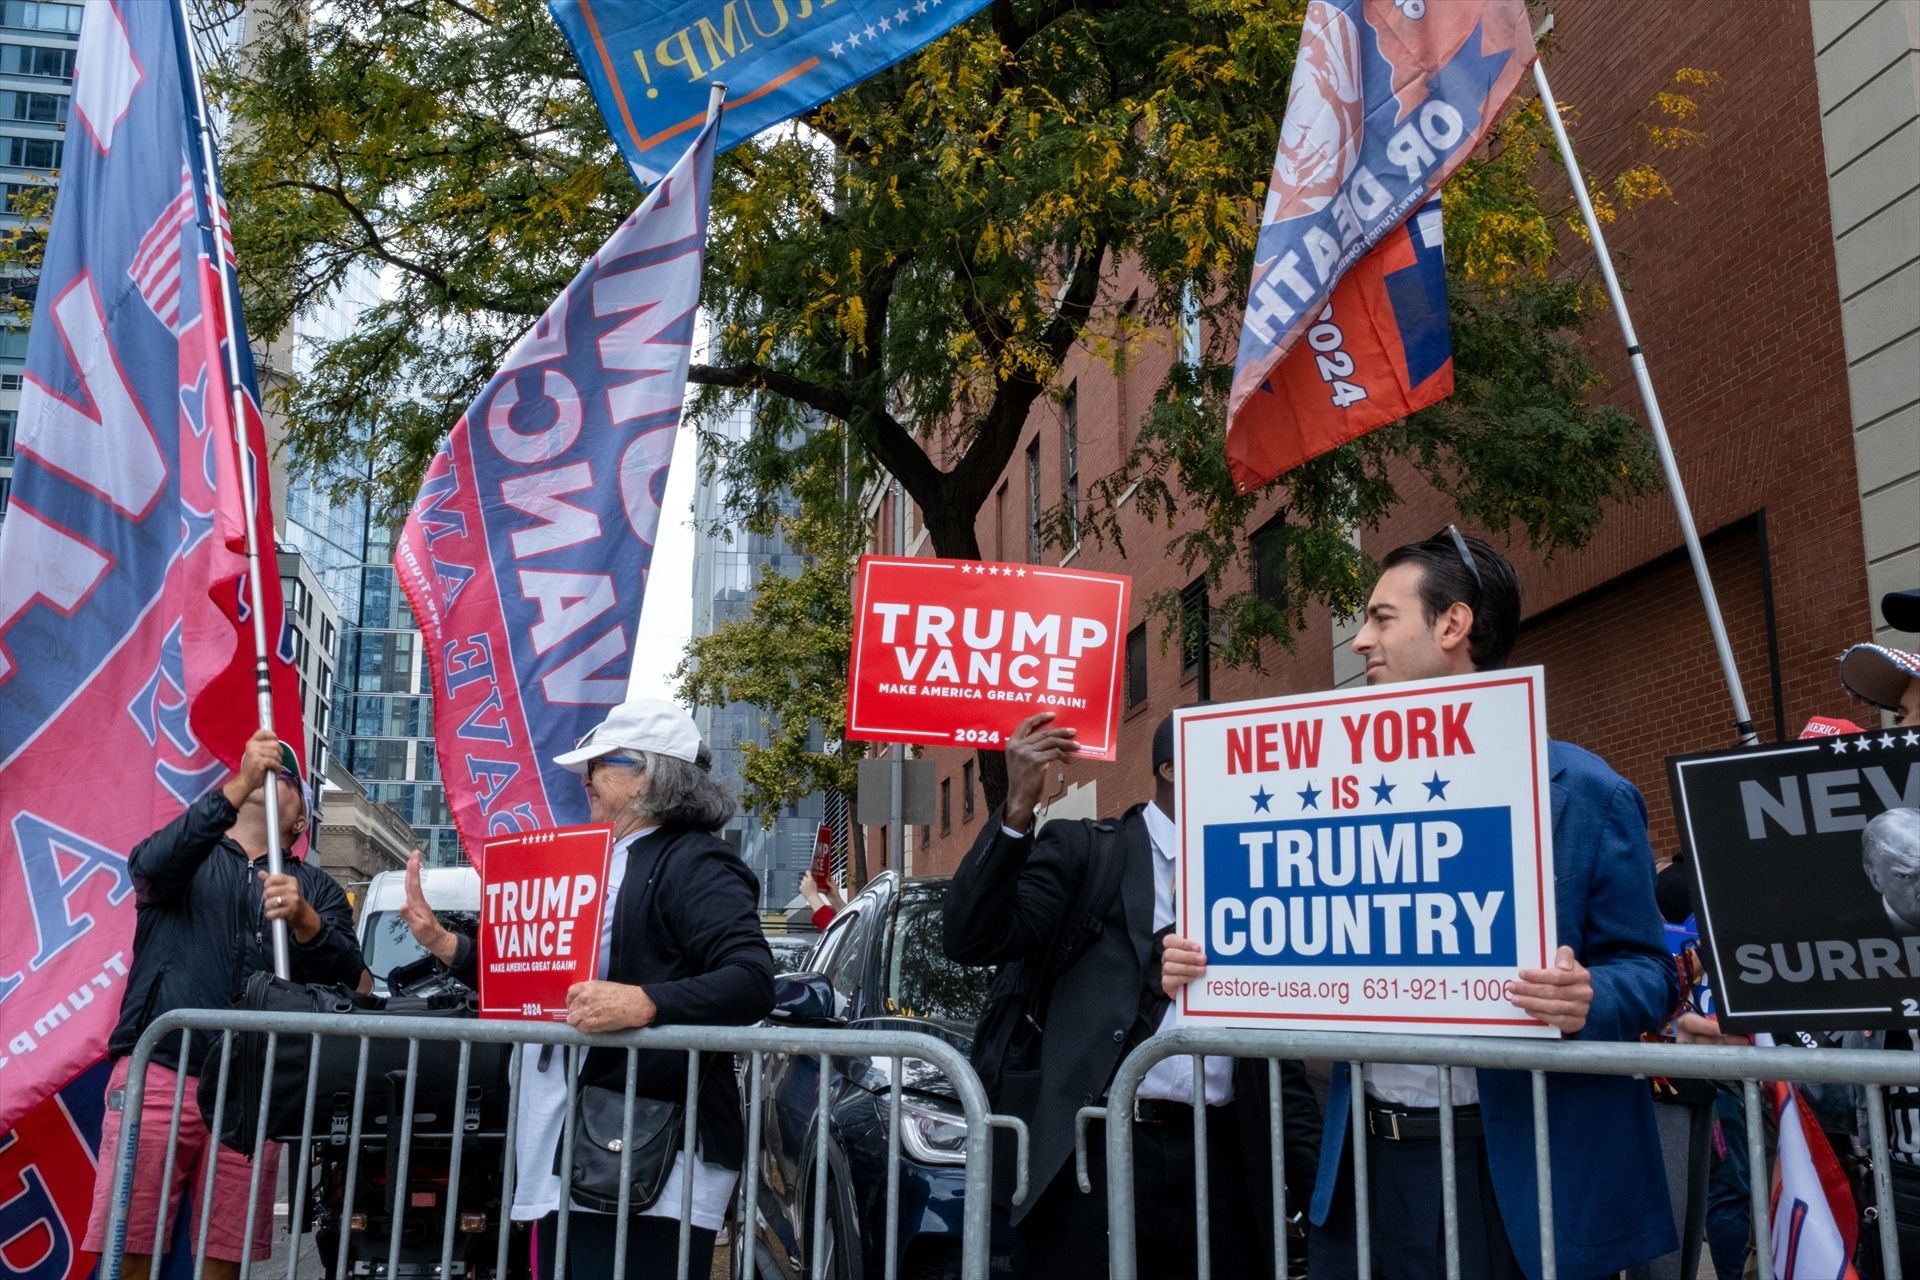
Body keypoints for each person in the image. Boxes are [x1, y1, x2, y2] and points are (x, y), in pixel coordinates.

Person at [1190, 528, 1678, 1280]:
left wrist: (1588, 996)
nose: (1360, 641)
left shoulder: (1585, 793)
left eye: (1383, 618)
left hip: (1519, 1176)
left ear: (1452, 625)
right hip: (1370, 1178)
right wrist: (1204, 966)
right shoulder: (1326, 801)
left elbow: (1650, 970)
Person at [400, 697, 774, 1280]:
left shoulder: (695, 861)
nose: (586, 780)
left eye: (599, 765)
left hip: (645, 1157)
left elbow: (751, 979)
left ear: (646, 773)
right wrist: (448, 946)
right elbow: (540, 978)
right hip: (573, 1148)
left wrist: (646, 1003)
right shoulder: (595, 859)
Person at [943, 708, 1322, 1280]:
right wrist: (1018, 807)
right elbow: (972, 936)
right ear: (1170, 768)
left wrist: (1323, 1199)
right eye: (1234, 761)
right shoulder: (1087, 852)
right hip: (1093, 1160)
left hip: (1220, 1164)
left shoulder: (1263, 873)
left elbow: (1276, 1051)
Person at [83, 730, 365, 1280]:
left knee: (225, 1252)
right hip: (163, 1070)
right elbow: (149, 866)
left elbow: (350, 977)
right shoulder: (191, 859)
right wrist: (235, 785)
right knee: (129, 1241)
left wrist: (307, 923)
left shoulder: (318, 888)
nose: (271, 778)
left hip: (251, 1089)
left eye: (287, 780)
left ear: (301, 821)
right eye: (264, 770)